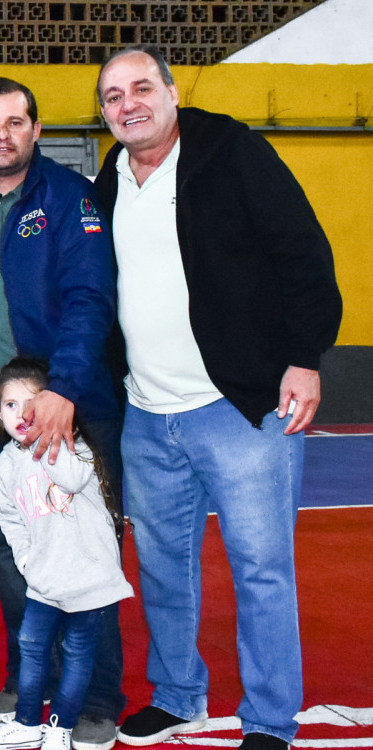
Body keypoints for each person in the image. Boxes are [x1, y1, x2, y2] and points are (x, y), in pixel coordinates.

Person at [93, 46, 342, 750]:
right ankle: (178, 696)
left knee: (262, 571)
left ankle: (269, 720)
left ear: (171, 92)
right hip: (147, 415)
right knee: (163, 569)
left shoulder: (232, 153)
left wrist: (304, 358)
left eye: (142, 87)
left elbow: (304, 251)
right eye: (113, 96)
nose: (129, 104)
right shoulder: (109, 180)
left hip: (240, 410)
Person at [0, 77, 125, 749]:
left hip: (60, 412)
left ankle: (98, 697)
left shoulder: (69, 198)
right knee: (11, 551)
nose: (2, 135)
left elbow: (89, 298)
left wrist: (63, 391)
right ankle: (30, 682)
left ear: (36, 130)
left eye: (15, 122)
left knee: (84, 552)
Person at [0, 357, 133, 750]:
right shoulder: (4, 465)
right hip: (44, 578)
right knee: (31, 645)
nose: (21, 414)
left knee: (78, 653)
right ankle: (28, 722)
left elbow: (72, 478)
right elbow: (9, 518)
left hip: (87, 578)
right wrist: (27, 561)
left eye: (32, 404)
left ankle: (60, 728)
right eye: (10, 405)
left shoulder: (75, 447)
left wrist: (48, 438)